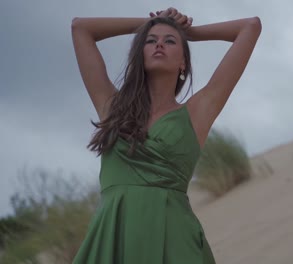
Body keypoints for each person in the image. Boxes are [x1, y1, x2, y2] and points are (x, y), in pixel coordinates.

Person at [70, 6, 261, 264]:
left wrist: (188, 32)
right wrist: (154, 24)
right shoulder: (112, 108)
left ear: (183, 61)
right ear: (141, 53)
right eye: (151, 41)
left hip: (174, 242)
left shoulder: (197, 113)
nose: (159, 44)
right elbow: (81, 28)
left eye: (169, 41)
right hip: (112, 235)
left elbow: (250, 26)